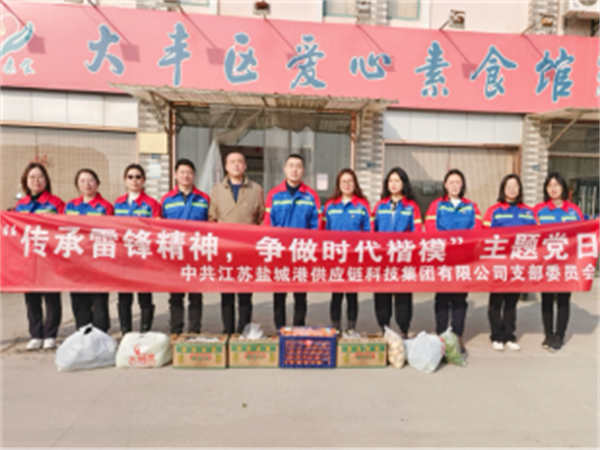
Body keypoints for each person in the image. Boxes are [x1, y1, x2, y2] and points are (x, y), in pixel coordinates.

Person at [425, 169, 482, 353]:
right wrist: (446, 244)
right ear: (445, 185)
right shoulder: (437, 205)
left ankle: (458, 336)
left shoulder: (471, 206)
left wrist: (463, 245)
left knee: (459, 299)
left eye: (458, 182)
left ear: (462, 185)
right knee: (442, 298)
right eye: (451, 182)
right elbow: (430, 227)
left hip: (464, 260)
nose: (455, 186)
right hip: (443, 258)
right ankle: (441, 335)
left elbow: (477, 229)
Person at [208, 152, 265, 334]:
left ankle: (244, 330)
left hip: (247, 250)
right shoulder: (217, 190)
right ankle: (228, 331)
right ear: (226, 166)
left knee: (245, 295)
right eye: (232, 162)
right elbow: (212, 218)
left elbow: (261, 218)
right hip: (225, 250)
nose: (236, 165)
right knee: (227, 294)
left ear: (245, 165)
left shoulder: (256, 189)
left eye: (240, 161)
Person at [264, 154, 320, 331]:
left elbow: (316, 226)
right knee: (279, 295)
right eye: (291, 166)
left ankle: (298, 329)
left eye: (298, 166)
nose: (294, 170)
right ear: (285, 169)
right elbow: (268, 224)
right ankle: (280, 329)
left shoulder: (311, 196)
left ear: (303, 171)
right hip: (280, 253)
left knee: (300, 295)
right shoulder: (274, 194)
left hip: (302, 253)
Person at [483, 174, 537, 351]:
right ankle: (496, 335)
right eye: (509, 185)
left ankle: (509, 335)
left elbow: (539, 235)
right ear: (503, 189)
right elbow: (484, 235)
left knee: (512, 302)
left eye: (515, 186)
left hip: (518, 264)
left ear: (520, 189)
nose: (512, 189)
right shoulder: (493, 210)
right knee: (496, 301)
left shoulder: (529, 212)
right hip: (498, 263)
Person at [15, 163, 65, 350]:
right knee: (31, 298)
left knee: (52, 297)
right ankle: (35, 334)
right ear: (26, 181)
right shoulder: (21, 205)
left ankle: (50, 333)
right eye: (32, 177)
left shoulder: (56, 203)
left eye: (40, 177)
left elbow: (65, 227)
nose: (36, 181)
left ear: (46, 180)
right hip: (28, 258)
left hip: (50, 258)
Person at [534, 172, 584, 352]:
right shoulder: (539, 210)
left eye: (556, 185)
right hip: (546, 263)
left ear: (563, 187)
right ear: (546, 189)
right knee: (546, 299)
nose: (553, 189)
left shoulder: (574, 210)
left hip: (567, 263)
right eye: (550, 185)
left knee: (563, 299)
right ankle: (548, 334)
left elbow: (584, 231)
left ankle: (559, 336)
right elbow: (530, 233)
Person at [371, 167, 422, 338]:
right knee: (382, 296)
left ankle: (403, 331)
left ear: (404, 183)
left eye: (397, 181)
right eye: (390, 181)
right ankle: (384, 328)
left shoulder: (411, 206)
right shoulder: (380, 206)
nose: (393, 184)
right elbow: (372, 231)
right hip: (382, 259)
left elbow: (417, 232)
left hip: (403, 259)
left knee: (403, 297)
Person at [161, 158, 210, 335]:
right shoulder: (166, 199)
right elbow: (160, 227)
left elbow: (211, 224)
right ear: (175, 175)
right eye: (182, 172)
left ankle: (194, 331)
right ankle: (176, 331)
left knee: (195, 296)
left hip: (196, 253)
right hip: (175, 254)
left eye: (189, 172)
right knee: (176, 296)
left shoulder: (204, 199)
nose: (186, 176)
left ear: (194, 175)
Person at [113, 164, 162, 335]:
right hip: (123, 258)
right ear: (125, 180)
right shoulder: (117, 203)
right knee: (124, 298)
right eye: (130, 177)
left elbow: (157, 231)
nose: (134, 180)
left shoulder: (151, 204)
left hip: (144, 257)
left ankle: (145, 331)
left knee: (145, 298)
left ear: (144, 180)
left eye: (138, 177)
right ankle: (126, 332)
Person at [65, 168, 114, 333]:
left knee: (98, 299)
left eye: (91, 180)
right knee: (79, 298)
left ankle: (101, 332)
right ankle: (83, 332)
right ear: (77, 185)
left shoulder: (105, 207)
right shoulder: (70, 206)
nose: (87, 184)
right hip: (76, 261)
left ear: (97, 183)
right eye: (82, 181)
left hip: (98, 260)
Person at [322, 169, 370, 333]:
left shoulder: (362, 205)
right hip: (335, 258)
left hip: (354, 259)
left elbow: (368, 232)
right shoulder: (330, 205)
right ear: (338, 184)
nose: (347, 185)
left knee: (352, 295)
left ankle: (351, 329)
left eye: (350, 181)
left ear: (355, 184)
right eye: (344, 181)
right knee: (336, 295)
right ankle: (336, 328)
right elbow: (323, 231)